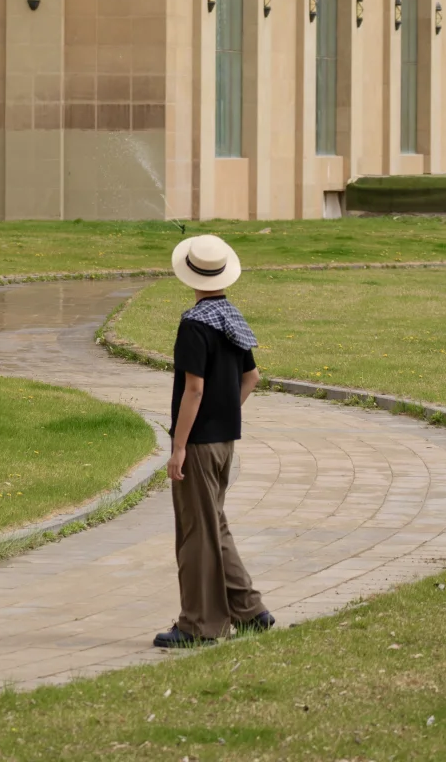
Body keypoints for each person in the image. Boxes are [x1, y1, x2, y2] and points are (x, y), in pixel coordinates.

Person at [153, 233, 276, 647]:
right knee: (215, 526)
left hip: (200, 445)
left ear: (190, 276)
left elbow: (193, 390)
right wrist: (228, 414)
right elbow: (252, 378)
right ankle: (250, 610)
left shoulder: (194, 324)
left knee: (195, 534)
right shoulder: (232, 319)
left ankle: (199, 626)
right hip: (225, 441)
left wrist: (179, 447)